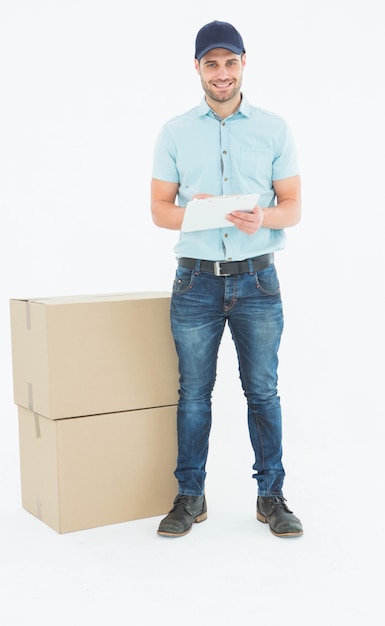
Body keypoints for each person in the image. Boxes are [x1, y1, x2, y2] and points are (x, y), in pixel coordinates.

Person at [151, 20, 303, 539]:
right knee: (193, 393)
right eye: (211, 63)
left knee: (263, 392)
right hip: (195, 285)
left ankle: (271, 497)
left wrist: (264, 218)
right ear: (197, 67)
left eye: (230, 62)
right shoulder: (174, 131)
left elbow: (292, 207)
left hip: (258, 283)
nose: (221, 73)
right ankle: (190, 497)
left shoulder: (274, 128)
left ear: (243, 64)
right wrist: (197, 214)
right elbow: (159, 210)